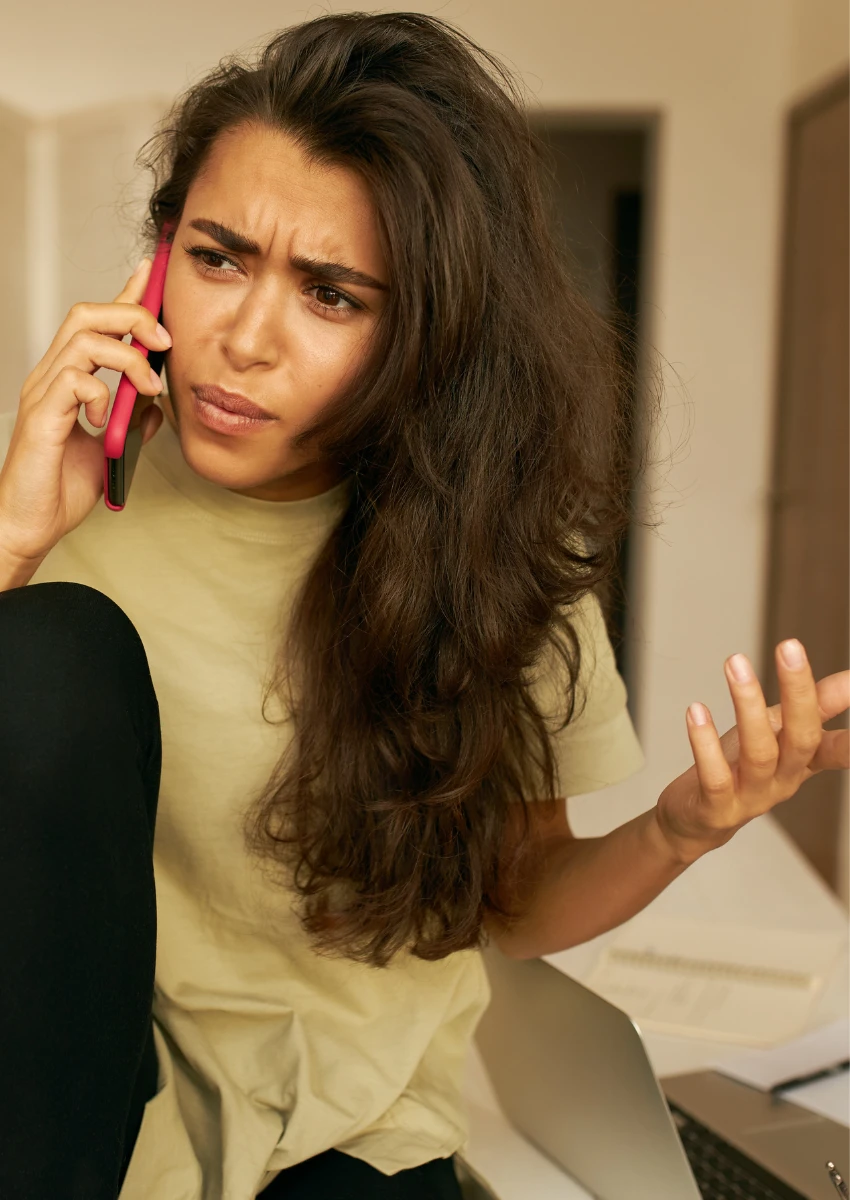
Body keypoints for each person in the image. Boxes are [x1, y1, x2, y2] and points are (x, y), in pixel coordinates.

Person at [0, 12, 846, 1200]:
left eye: (331, 295)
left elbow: (513, 897)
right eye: (218, 256)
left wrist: (678, 830)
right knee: (46, 650)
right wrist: (10, 540)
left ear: (422, 335)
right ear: (157, 257)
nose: (242, 340)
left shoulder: (489, 559)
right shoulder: (64, 493)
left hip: (336, 1126)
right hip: (63, 1115)